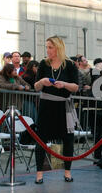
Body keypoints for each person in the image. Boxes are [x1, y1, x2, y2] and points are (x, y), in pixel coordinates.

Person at [34, 36, 79, 184]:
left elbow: (76, 87)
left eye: (50, 47)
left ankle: (67, 172)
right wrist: (42, 81)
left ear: (58, 48)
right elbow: (36, 87)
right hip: (46, 106)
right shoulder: (43, 64)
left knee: (68, 140)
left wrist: (64, 84)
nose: (47, 50)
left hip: (63, 107)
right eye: (46, 47)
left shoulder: (70, 65)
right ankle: (39, 174)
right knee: (41, 139)